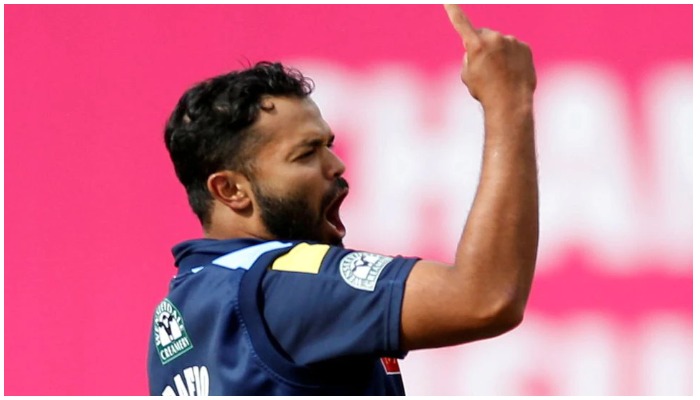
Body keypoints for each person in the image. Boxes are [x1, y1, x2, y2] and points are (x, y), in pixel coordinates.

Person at [148, 4, 538, 396]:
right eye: (305, 154)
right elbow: (486, 298)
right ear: (230, 190)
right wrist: (508, 100)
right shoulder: (282, 283)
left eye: (328, 145)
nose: (336, 165)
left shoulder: (183, 307)